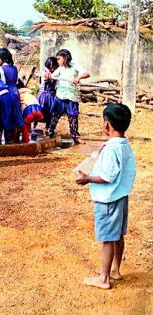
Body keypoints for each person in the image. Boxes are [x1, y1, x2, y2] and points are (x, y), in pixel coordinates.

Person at [76, 103, 136, 289]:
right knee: (117, 235)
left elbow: (107, 176)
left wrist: (87, 179)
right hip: (120, 196)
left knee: (108, 239)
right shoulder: (123, 144)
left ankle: (103, 279)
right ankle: (115, 270)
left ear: (106, 125)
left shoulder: (111, 148)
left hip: (108, 199)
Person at [46, 49, 90, 145]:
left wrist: (78, 78)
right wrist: (48, 76)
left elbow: (87, 74)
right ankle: (50, 132)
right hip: (60, 96)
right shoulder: (60, 68)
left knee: (73, 118)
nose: (57, 61)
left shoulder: (75, 66)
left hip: (71, 97)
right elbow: (52, 76)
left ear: (65, 58)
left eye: (59, 59)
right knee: (55, 116)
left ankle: (75, 137)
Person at [37, 56, 58, 131]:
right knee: (40, 109)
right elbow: (46, 78)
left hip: (51, 94)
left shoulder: (57, 72)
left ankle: (47, 127)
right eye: (50, 68)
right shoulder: (44, 71)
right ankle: (34, 126)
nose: (52, 69)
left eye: (54, 68)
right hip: (43, 94)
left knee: (50, 111)